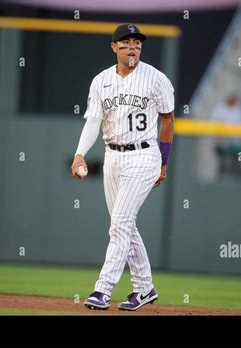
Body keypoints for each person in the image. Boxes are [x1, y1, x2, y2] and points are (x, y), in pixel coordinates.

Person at [71, 23, 175, 311]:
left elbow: (168, 120)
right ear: (114, 47)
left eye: (137, 43)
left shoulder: (156, 79)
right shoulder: (100, 81)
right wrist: (80, 154)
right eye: (127, 42)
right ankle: (145, 289)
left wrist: (163, 162)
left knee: (119, 224)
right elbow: (93, 121)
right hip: (112, 157)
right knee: (124, 225)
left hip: (144, 155)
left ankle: (102, 290)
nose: (133, 47)